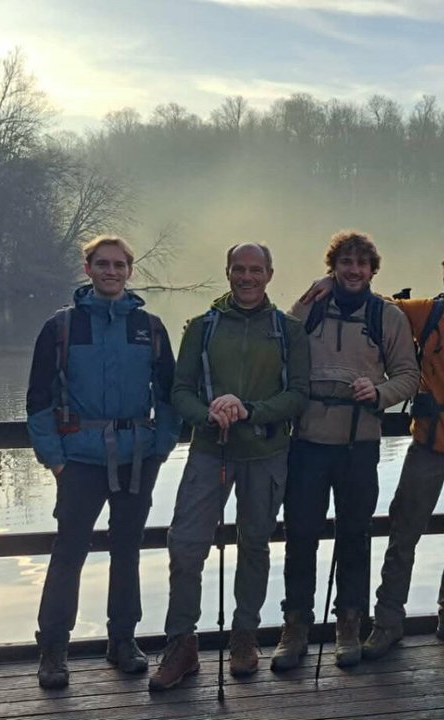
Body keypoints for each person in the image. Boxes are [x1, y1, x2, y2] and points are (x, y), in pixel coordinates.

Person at [303, 247, 444, 660]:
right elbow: (373, 301)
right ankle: (388, 623)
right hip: (428, 446)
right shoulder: (423, 313)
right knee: (403, 535)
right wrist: (330, 282)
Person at [149, 243, 311, 690]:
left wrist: (249, 410)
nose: (247, 277)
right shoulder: (201, 327)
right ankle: (181, 645)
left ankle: (244, 638)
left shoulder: (288, 331)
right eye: (239, 269)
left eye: (255, 270)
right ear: (227, 272)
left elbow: (298, 395)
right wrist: (208, 414)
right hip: (209, 450)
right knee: (185, 545)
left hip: (266, 453)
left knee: (254, 545)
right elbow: (179, 391)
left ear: (270, 274)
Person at [26, 235, 178, 689]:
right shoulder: (62, 327)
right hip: (79, 461)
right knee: (69, 552)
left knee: (127, 551)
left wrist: (160, 447)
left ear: (130, 270)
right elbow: (38, 399)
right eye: (102, 264)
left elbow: (168, 397)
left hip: (137, 460)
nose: (111, 271)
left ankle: (123, 641)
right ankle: (54, 650)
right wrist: (55, 459)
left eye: (119, 265)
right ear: (87, 268)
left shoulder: (149, 328)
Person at [271, 231, 419, 671]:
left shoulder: (387, 316)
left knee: (355, 535)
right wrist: (309, 294)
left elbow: (409, 375)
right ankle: (295, 627)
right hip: (307, 442)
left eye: (361, 264)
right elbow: (279, 344)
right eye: (345, 263)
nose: (354, 271)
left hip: (359, 443)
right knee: (300, 536)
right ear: (333, 266)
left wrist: (379, 392)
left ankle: (350, 624)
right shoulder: (312, 307)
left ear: (373, 270)